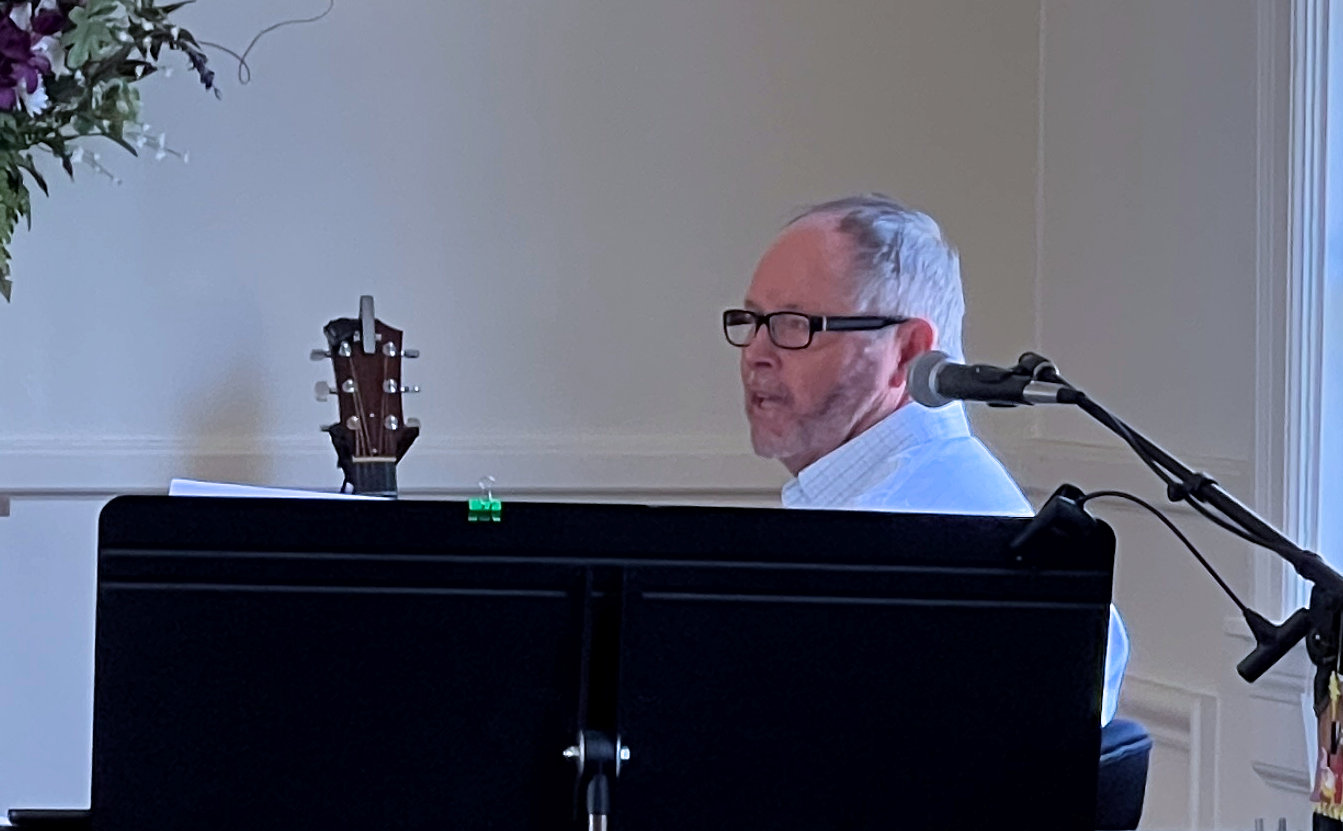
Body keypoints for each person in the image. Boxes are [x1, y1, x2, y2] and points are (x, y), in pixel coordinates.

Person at [724, 193, 1128, 725]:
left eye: (794, 324)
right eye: (752, 321)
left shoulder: (908, 537)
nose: (755, 353)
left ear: (909, 351)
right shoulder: (917, 499)